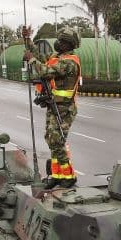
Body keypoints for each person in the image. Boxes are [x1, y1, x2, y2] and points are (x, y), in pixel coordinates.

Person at [23, 27, 82, 189]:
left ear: (69, 45)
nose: (58, 43)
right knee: (50, 138)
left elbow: (46, 72)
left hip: (65, 108)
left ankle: (69, 176)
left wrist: (32, 61)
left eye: (62, 41)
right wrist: (28, 40)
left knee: (57, 140)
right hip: (54, 105)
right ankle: (57, 175)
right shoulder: (58, 57)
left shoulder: (70, 62)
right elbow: (40, 56)